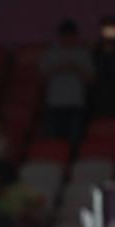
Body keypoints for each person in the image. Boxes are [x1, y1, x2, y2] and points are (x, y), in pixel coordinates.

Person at [40, 19, 94, 151]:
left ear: (76, 37)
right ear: (60, 36)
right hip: (54, 104)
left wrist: (75, 68)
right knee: (53, 142)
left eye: (71, 36)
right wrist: (59, 67)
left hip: (76, 104)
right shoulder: (51, 52)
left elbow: (91, 80)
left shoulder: (83, 53)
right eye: (65, 36)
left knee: (74, 142)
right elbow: (42, 77)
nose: (68, 39)